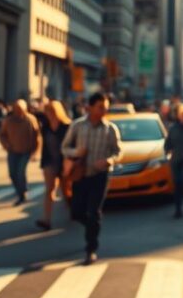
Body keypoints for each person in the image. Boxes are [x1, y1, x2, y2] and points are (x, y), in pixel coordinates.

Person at [61, 92, 122, 265]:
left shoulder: (110, 129)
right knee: (77, 212)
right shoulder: (78, 126)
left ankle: (91, 248)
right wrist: (76, 153)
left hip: (100, 176)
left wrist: (108, 160)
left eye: (106, 108)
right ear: (90, 107)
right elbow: (64, 147)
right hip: (80, 174)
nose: (104, 111)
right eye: (100, 107)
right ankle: (92, 228)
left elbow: (118, 151)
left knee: (94, 212)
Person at [0, 99, 41, 206]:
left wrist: (36, 151)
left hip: (26, 151)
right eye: (16, 109)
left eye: (20, 109)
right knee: (12, 174)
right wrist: (6, 145)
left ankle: (23, 193)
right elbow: (2, 134)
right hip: (12, 151)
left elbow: (38, 136)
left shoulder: (31, 119)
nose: (18, 111)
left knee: (20, 172)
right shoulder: (9, 120)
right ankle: (20, 191)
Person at [36, 100, 71, 230]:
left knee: (66, 191)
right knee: (49, 190)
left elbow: (72, 144)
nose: (49, 114)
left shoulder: (66, 125)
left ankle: (72, 210)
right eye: (47, 111)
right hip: (49, 162)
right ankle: (46, 220)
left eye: (51, 111)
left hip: (64, 162)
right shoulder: (45, 126)